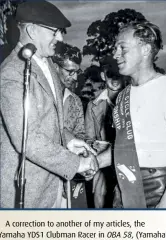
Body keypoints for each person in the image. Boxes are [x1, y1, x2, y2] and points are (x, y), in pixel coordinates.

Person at [0, 0, 98, 208]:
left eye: (60, 32)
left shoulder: (48, 64)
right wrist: (77, 163)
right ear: (32, 31)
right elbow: (27, 138)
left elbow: (48, 121)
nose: (60, 38)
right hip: (27, 193)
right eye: (54, 32)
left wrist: (69, 140)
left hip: (51, 186)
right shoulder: (12, 74)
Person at [98, 21, 166, 208]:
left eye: (122, 48)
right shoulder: (122, 96)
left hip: (160, 190)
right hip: (123, 190)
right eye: (115, 48)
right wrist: (92, 162)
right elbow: (127, 149)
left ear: (145, 49)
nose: (115, 54)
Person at [85, 56, 128, 208]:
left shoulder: (132, 101)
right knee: (100, 196)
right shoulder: (93, 106)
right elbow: (88, 139)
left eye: (118, 75)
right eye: (111, 74)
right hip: (101, 163)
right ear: (103, 75)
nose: (115, 79)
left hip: (127, 163)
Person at [52, 41, 90, 208]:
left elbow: (81, 134)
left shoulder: (75, 100)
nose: (75, 77)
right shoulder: (39, 95)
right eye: (70, 71)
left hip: (71, 176)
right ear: (55, 67)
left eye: (77, 72)